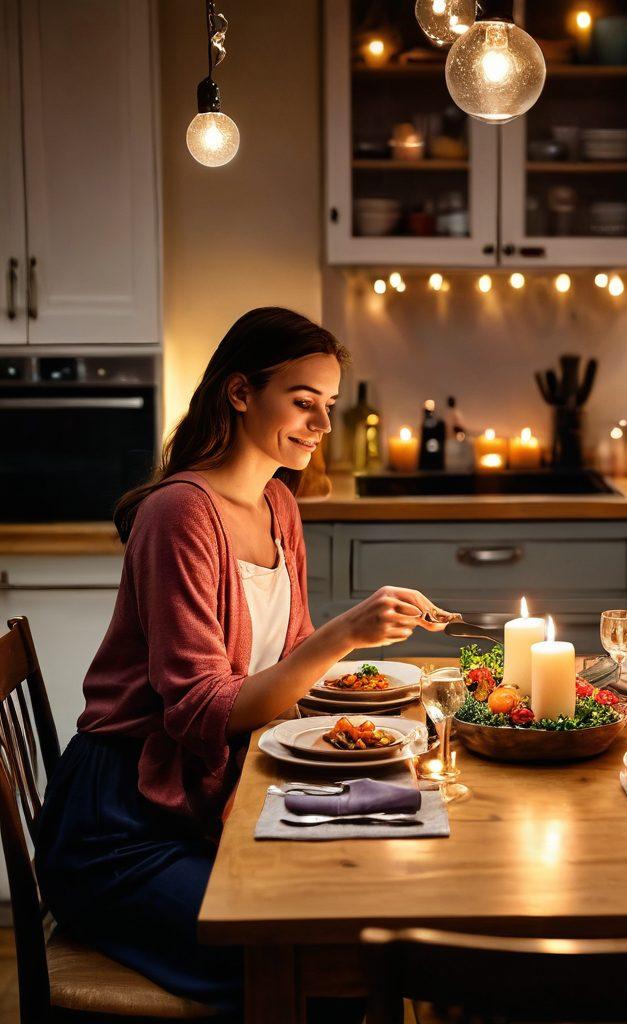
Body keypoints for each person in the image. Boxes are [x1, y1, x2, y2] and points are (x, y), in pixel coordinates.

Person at [35, 308, 449, 1014]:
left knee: (365, 918)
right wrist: (344, 635)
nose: (322, 425)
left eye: (329, 405)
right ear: (239, 393)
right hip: (124, 825)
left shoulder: (277, 504)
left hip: (207, 804)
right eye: (302, 401)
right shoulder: (180, 515)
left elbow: (288, 662)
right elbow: (201, 711)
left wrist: (373, 681)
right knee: (312, 963)